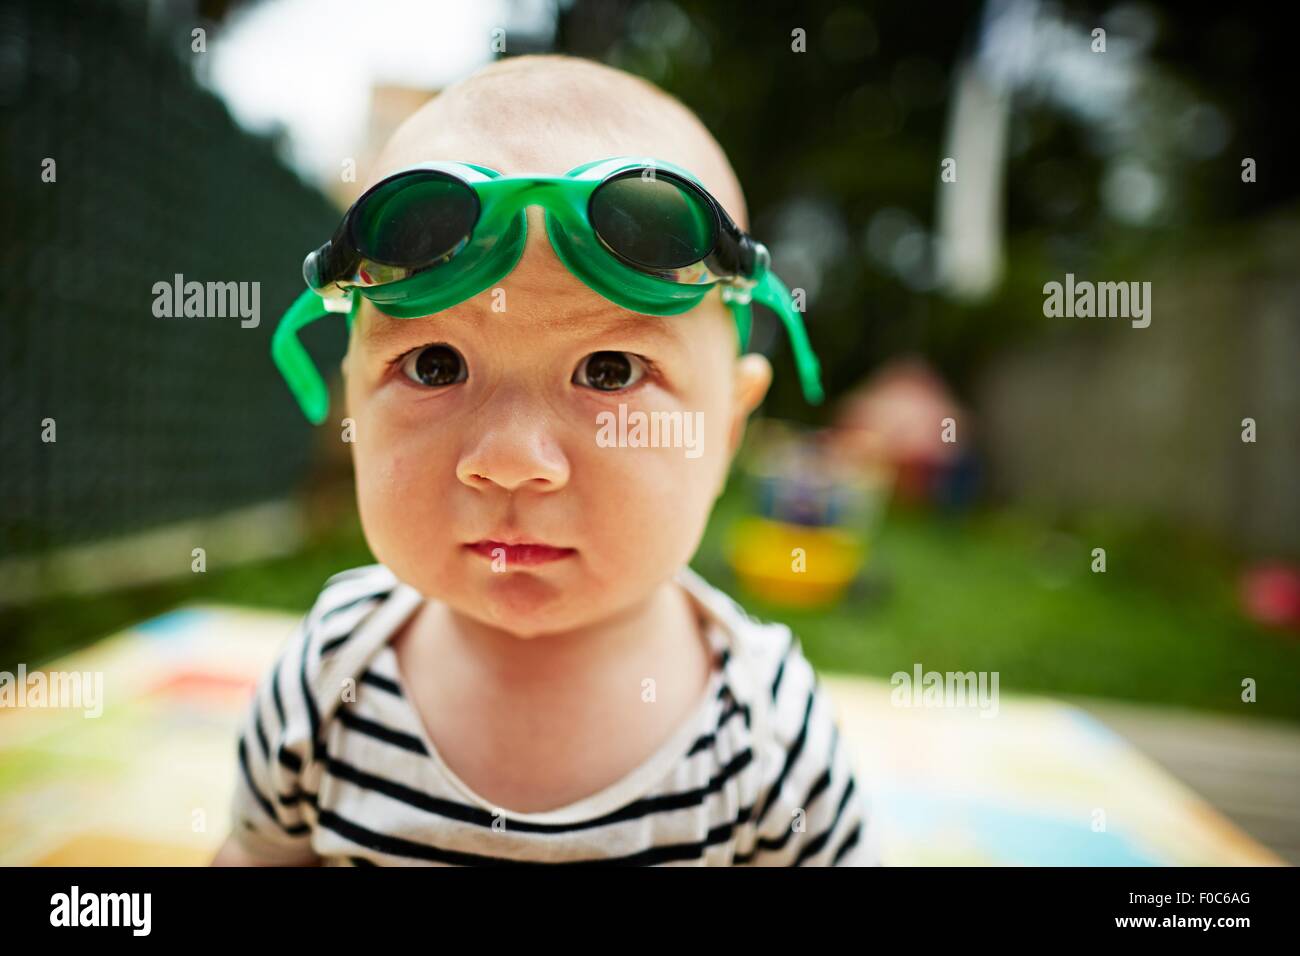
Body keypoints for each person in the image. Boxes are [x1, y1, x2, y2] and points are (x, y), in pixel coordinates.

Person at [211, 53, 878, 866]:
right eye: (434, 366)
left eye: (610, 372)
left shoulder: (768, 733)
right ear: (352, 397)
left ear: (727, 429)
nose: (512, 464)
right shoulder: (327, 681)